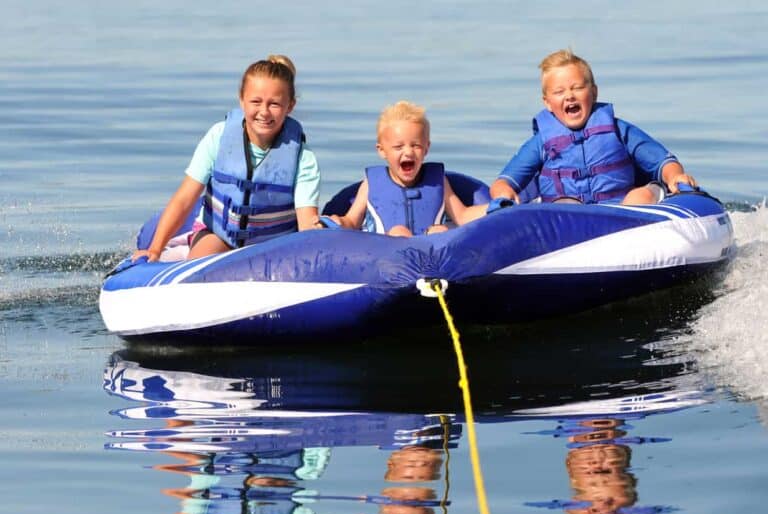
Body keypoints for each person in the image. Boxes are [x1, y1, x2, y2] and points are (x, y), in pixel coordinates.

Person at [132, 54, 321, 262]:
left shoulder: (303, 157)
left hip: (273, 245)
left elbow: (306, 224)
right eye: (256, 102)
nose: (264, 112)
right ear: (241, 100)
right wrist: (155, 249)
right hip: (217, 235)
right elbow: (185, 199)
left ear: (290, 106)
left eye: (274, 104)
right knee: (204, 259)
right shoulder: (219, 136)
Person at [489, 49, 697, 206]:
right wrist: (503, 192)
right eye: (559, 92)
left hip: (625, 208)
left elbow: (662, 161)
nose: (569, 96)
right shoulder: (542, 142)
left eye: (577, 88)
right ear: (547, 103)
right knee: (565, 206)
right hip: (573, 219)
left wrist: (675, 176)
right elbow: (504, 182)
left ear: (594, 92)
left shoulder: (618, 130)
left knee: (639, 196)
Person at [325, 101, 488, 237]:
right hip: (387, 254)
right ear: (382, 150)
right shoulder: (371, 184)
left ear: (426, 148)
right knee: (398, 232)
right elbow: (352, 222)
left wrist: (494, 208)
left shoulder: (439, 182)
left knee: (439, 231)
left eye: (416, 145)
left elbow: (462, 215)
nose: (408, 152)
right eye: (398, 147)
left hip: (430, 253)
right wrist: (337, 222)